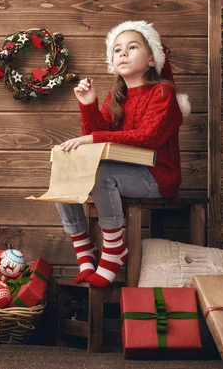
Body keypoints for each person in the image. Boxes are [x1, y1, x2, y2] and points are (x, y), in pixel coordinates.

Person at [55, 21, 191, 288]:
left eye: (132, 47)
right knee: (67, 168)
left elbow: (147, 137)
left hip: (158, 177)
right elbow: (98, 135)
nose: (123, 53)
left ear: (152, 58)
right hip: (124, 175)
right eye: (117, 50)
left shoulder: (163, 93)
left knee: (103, 173)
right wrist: (89, 105)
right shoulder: (115, 96)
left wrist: (93, 137)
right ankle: (84, 251)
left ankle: (113, 250)